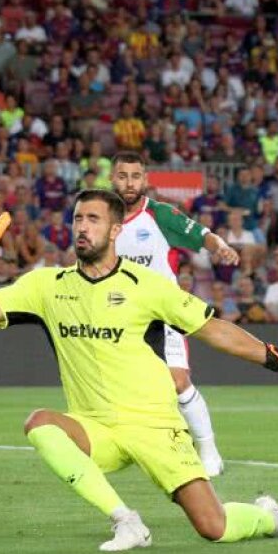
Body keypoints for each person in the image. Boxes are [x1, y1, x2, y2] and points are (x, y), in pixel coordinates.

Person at [0, 189, 278, 551]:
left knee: (214, 527)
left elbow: (214, 330)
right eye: (78, 219)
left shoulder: (147, 286)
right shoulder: (45, 286)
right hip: (95, 427)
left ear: (115, 230)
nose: (82, 227)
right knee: (40, 423)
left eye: (93, 219)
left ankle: (270, 516)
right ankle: (126, 521)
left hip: (154, 425)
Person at [111, 151, 240, 476]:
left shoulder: (160, 216)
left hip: (163, 313)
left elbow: (201, 234)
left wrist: (220, 247)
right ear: (112, 179)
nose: (129, 182)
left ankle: (208, 450)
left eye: (135, 176)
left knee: (178, 380)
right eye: (123, 175)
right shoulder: (99, 216)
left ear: (145, 180)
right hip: (119, 317)